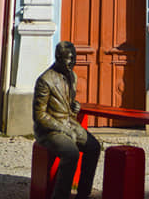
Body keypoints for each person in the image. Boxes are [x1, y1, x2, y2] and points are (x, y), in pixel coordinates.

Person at [33, 41, 101, 199]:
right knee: (71, 154)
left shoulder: (72, 75)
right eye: (68, 59)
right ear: (57, 58)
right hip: (49, 130)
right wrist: (62, 129)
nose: (72, 62)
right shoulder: (45, 80)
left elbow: (67, 105)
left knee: (94, 147)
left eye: (74, 58)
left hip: (69, 124)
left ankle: (83, 194)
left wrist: (74, 106)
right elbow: (39, 116)